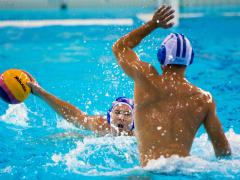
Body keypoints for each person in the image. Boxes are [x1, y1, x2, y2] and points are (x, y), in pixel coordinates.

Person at [112, 5, 231, 167]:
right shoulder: (204, 99)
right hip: (186, 170)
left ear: (161, 56)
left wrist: (152, 24)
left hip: (150, 172)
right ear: (190, 60)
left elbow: (120, 47)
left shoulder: (146, 78)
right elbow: (223, 152)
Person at [26, 74, 134, 136]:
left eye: (127, 114)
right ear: (110, 116)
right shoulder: (102, 124)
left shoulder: (140, 134)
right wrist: (40, 92)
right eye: (117, 112)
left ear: (135, 120)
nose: (121, 117)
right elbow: (74, 116)